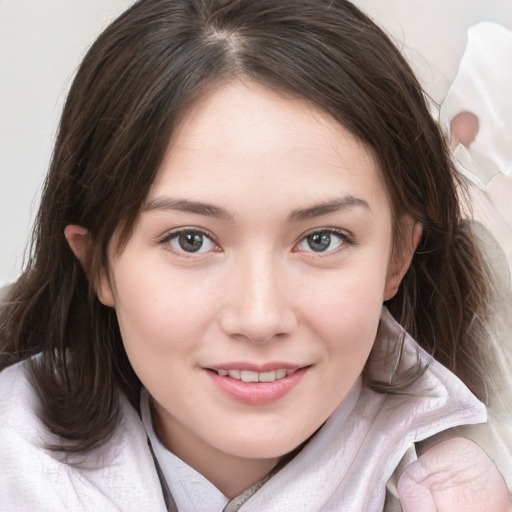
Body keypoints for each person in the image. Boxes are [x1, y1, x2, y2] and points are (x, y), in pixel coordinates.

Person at [0, 0, 510, 510]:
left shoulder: (456, 486)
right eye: (191, 240)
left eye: (321, 239)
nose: (260, 318)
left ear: (397, 256)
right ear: (97, 264)